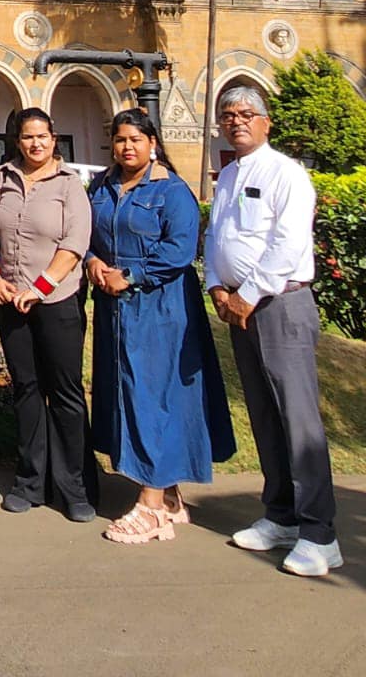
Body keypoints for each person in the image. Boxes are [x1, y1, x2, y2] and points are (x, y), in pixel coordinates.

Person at [206, 86, 340, 577]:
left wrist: (248, 293)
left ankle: (319, 534)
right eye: (228, 115)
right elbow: (217, 235)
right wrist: (218, 286)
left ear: (266, 122)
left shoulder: (286, 172)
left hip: (279, 304)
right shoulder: (229, 176)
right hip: (240, 306)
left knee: (298, 420)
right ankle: (281, 515)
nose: (237, 121)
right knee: (264, 413)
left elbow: (287, 243)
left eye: (247, 114)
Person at [86, 108, 235, 543]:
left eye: (135, 139)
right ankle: (168, 496)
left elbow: (180, 250)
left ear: (152, 142)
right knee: (126, 395)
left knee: (155, 395)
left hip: (160, 306)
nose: (126, 146)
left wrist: (130, 276)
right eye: (119, 139)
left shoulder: (171, 191)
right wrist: (95, 263)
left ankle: (150, 507)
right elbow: (88, 236)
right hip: (115, 307)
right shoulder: (102, 186)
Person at [0, 106, 95, 522]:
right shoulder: (2, 178)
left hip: (57, 301)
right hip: (11, 301)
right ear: (18, 141)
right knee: (26, 390)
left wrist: (40, 289)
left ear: (54, 138)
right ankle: (30, 481)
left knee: (64, 393)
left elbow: (76, 240)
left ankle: (74, 487)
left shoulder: (69, 184)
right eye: (27, 137)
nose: (35, 143)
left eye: (42, 136)